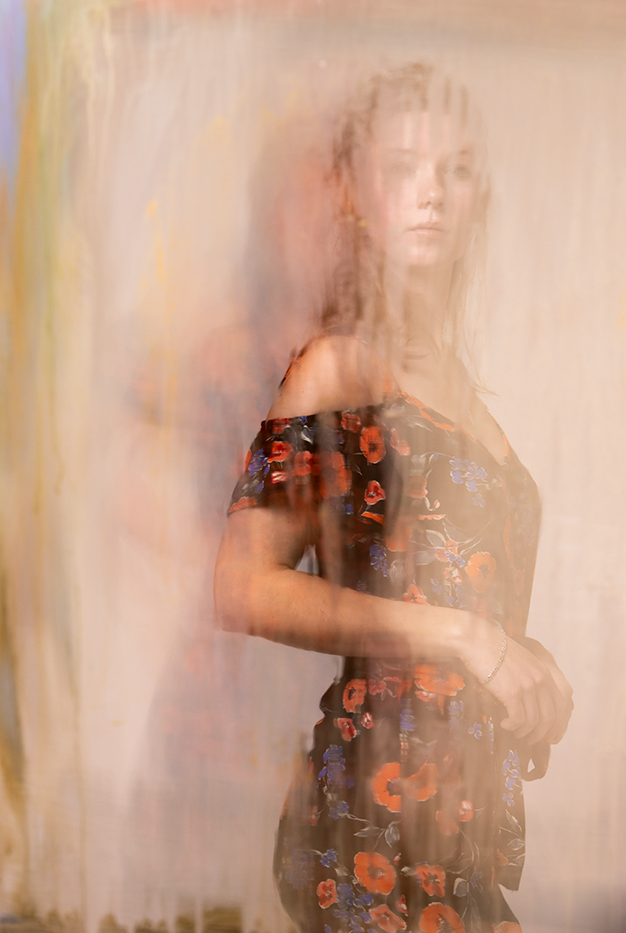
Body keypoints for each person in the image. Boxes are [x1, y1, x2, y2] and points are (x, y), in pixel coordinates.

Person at [214, 63, 573, 933]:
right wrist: (467, 638)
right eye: (403, 167)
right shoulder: (340, 364)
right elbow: (242, 586)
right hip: (371, 814)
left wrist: (529, 671)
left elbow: (449, 589)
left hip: (459, 827)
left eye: (456, 169)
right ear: (357, 198)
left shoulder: (460, 389)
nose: (432, 193)